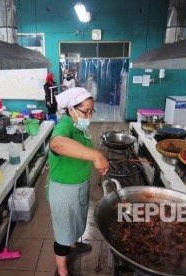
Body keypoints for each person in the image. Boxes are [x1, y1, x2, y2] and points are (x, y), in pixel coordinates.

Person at [47, 87, 109, 276]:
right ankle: (62, 270)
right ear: (71, 109)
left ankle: (73, 244)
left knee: (77, 221)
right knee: (63, 233)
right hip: (64, 191)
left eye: (92, 111)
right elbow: (57, 143)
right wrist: (96, 155)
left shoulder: (79, 127)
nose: (89, 115)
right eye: (85, 111)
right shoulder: (64, 125)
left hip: (80, 186)